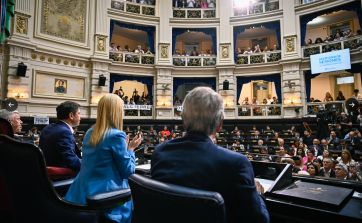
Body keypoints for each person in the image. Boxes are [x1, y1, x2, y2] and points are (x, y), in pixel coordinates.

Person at [151, 87, 269, 223]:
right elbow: (260, 220)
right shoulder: (237, 164)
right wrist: (258, 194)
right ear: (219, 124)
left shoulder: (160, 152)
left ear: (183, 119)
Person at [65, 94, 142, 223]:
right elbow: (128, 171)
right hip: (106, 198)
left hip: (80, 193)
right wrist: (131, 149)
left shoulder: (90, 131)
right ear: (117, 111)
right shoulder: (117, 135)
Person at [39, 101, 82, 172]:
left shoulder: (48, 128)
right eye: (79, 113)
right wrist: (89, 164)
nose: (80, 117)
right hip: (61, 174)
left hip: (45, 173)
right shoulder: (64, 132)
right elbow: (71, 161)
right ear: (71, 115)